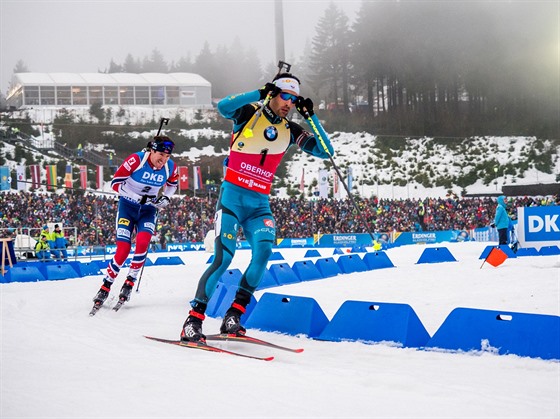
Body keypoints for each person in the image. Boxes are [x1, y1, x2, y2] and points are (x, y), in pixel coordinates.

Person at [180, 73, 335, 343]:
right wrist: (258, 93)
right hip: (232, 200)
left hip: (259, 205)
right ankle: (193, 320)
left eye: (294, 100)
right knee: (224, 258)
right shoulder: (248, 114)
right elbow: (223, 107)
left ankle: (234, 315)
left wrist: (311, 117)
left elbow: (325, 151)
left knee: (263, 252)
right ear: (274, 93)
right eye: (285, 96)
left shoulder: (290, 130)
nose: (289, 103)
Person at [91, 135, 179, 309]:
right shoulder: (136, 160)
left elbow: (172, 184)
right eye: (161, 154)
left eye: (167, 156)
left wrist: (166, 198)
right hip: (128, 209)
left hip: (148, 211)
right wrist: (137, 197)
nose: (164, 160)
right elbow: (115, 184)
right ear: (152, 150)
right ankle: (106, 285)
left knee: (143, 242)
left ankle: (129, 282)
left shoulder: (170, 167)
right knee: (123, 250)